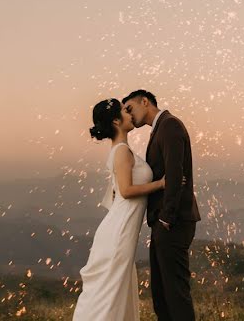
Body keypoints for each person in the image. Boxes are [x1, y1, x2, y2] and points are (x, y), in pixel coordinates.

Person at [73, 98, 166, 321]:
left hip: (119, 228)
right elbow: (126, 190)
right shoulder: (122, 151)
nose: (130, 114)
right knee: (108, 293)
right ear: (116, 120)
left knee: (113, 291)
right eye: (126, 111)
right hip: (119, 232)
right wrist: (162, 184)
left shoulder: (121, 150)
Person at [123, 90, 200, 321]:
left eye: (130, 108)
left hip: (172, 223)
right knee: (162, 295)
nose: (128, 114)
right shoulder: (161, 128)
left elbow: (175, 174)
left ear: (144, 102)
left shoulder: (170, 125)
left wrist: (166, 218)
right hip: (163, 223)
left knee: (175, 295)